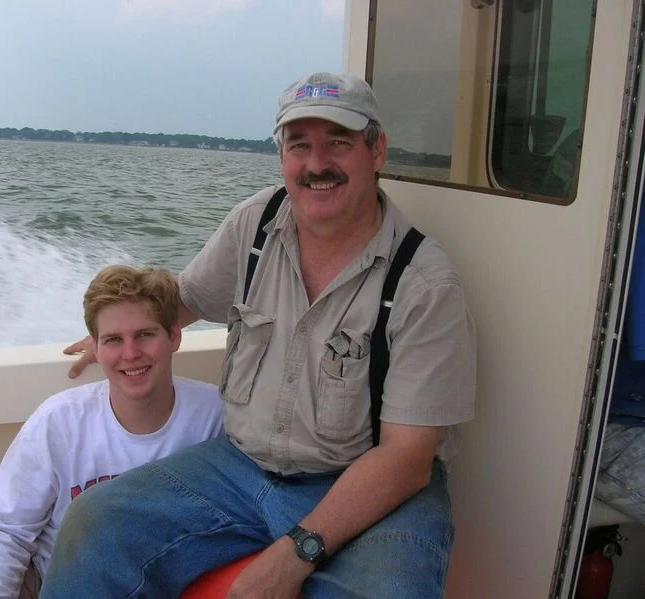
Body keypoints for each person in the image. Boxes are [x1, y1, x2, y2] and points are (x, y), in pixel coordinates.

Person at [45, 71, 477, 598]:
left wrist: (295, 554)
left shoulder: (425, 284)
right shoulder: (256, 222)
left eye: (338, 143)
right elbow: (181, 300)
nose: (317, 165)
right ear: (282, 158)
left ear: (377, 150)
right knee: (96, 525)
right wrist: (116, 334)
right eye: (299, 146)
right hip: (239, 468)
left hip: (370, 486)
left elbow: (407, 459)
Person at [0, 265, 225, 599]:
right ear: (96, 347)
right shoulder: (58, 421)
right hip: (52, 581)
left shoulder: (214, 417)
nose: (131, 354)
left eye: (145, 334)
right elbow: (3, 532)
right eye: (113, 340)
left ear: (174, 336)